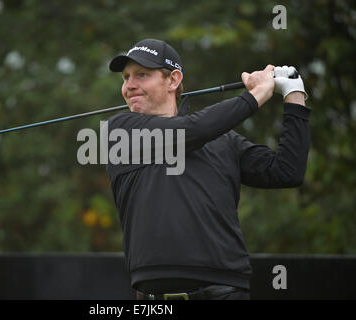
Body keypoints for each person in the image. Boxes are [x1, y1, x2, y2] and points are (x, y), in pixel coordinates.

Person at [104, 38, 310, 300]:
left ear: (173, 80)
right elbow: (193, 130)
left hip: (225, 291)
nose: (129, 85)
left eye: (141, 75)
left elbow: (287, 171)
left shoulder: (224, 141)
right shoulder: (119, 131)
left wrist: (294, 93)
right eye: (125, 77)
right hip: (153, 298)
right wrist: (257, 94)